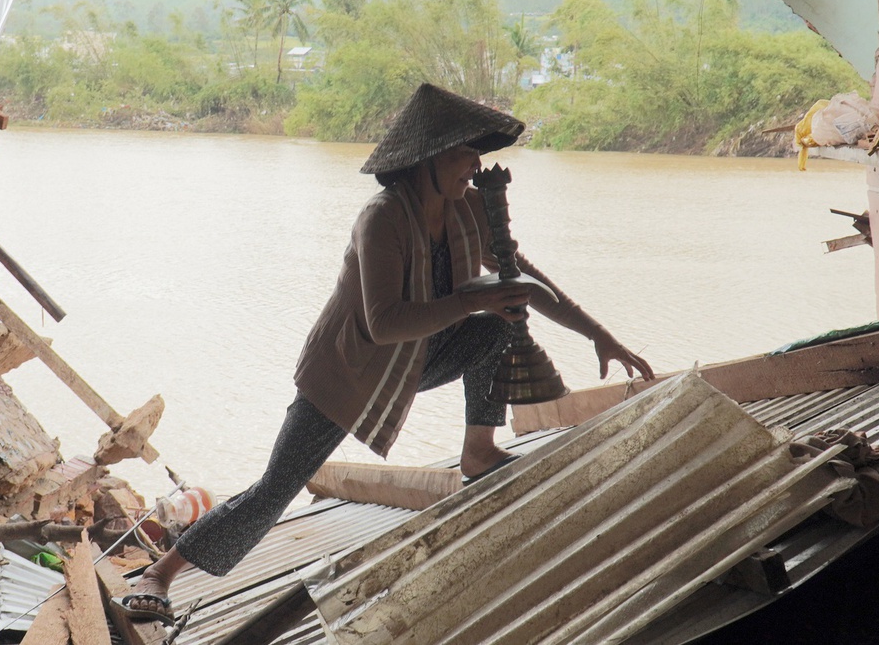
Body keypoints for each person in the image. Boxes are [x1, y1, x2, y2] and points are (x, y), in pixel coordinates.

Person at [114, 83, 654, 625]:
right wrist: (472, 299)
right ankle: (160, 573)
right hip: (348, 371)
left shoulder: (468, 208)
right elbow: (384, 322)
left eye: (478, 154)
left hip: (418, 356)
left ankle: (479, 452)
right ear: (429, 158)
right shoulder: (383, 218)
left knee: (495, 327)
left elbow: (521, 279)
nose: (476, 165)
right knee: (275, 490)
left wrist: (597, 334)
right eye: (466, 153)